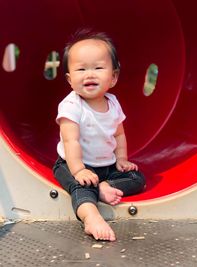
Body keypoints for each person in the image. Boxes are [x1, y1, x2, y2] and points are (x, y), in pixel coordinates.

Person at [53, 28, 146, 241]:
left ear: (113, 77)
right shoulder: (71, 106)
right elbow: (71, 140)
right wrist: (79, 170)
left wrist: (121, 160)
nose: (89, 74)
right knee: (80, 187)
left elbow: (119, 135)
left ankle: (105, 188)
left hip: (107, 167)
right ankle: (91, 217)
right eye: (81, 69)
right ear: (69, 79)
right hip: (72, 163)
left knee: (137, 178)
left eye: (98, 67)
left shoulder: (113, 103)